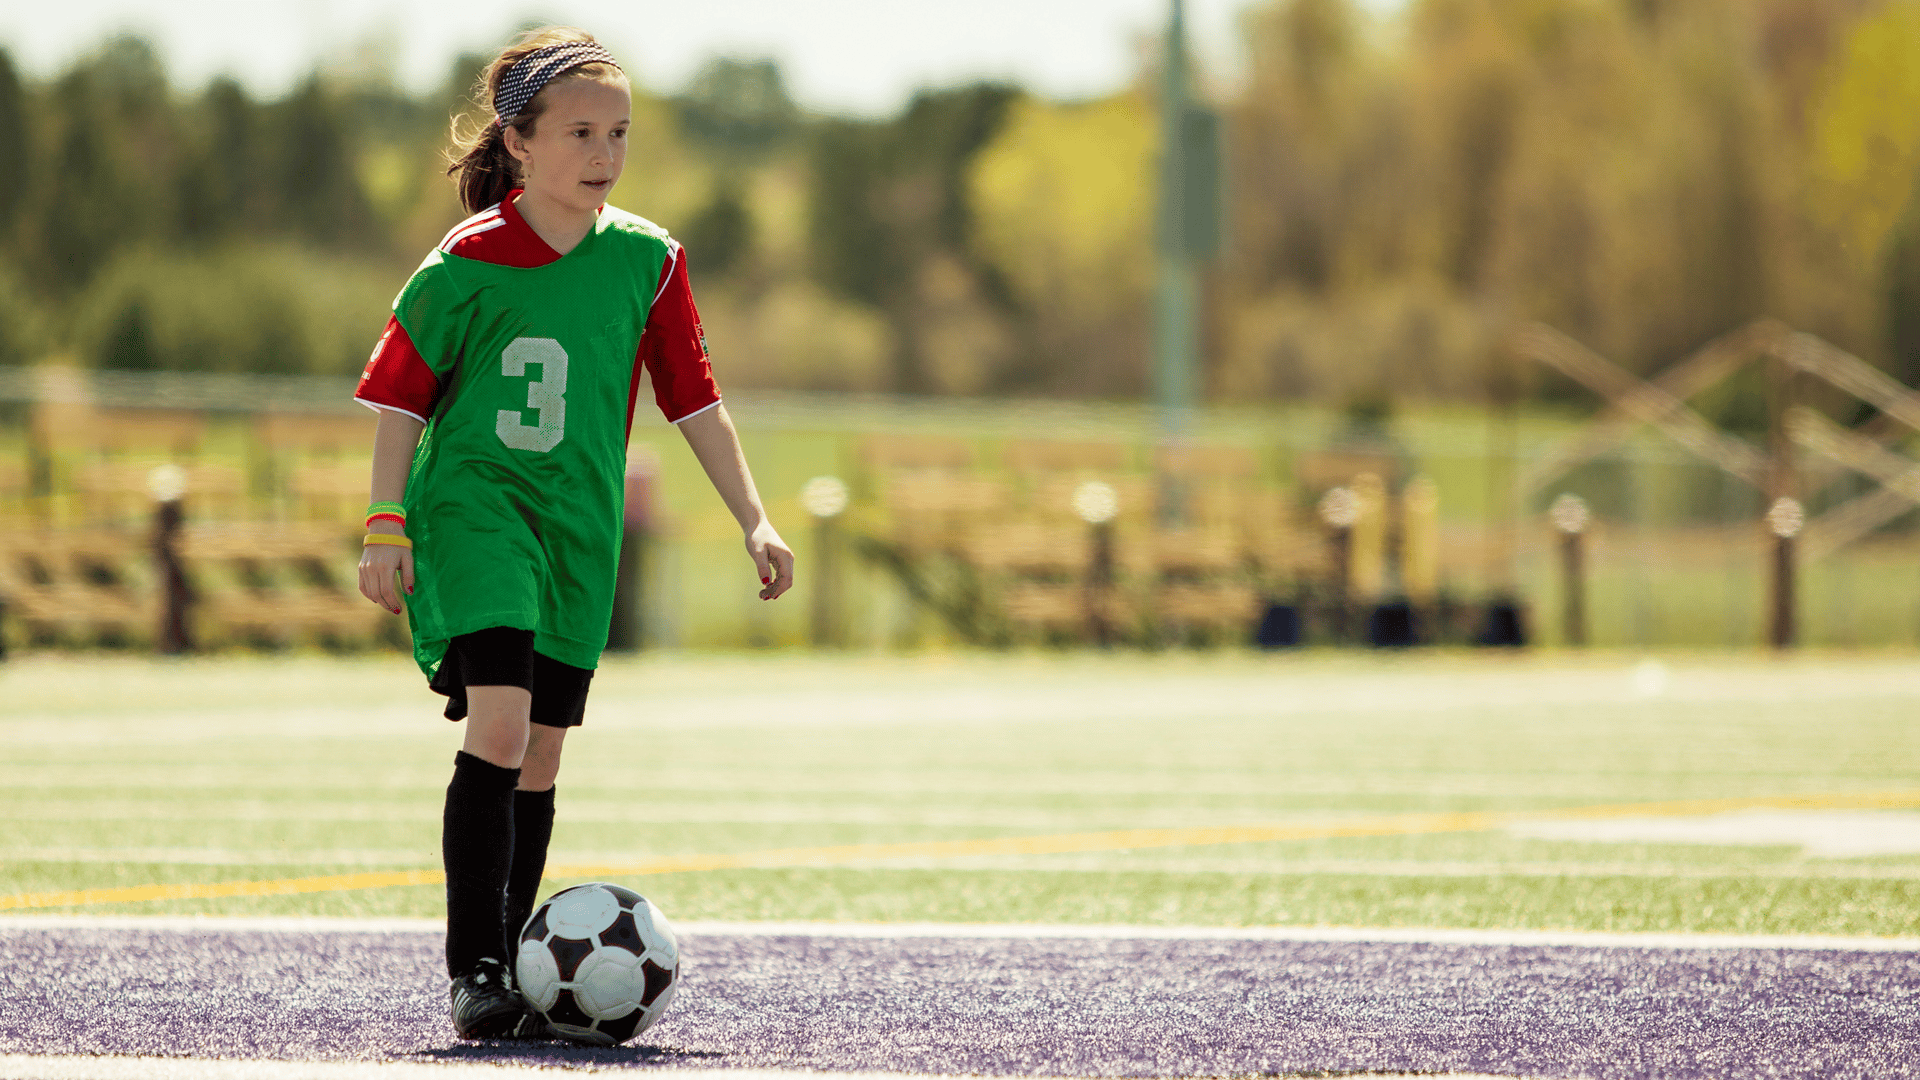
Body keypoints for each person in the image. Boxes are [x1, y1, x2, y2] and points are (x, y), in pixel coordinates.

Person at [352, 26, 794, 1039]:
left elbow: (697, 406)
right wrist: (386, 524)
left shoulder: (649, 260)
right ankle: (473, 973)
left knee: (542, 754)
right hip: (476, 515)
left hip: (579, 533)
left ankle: (516, 967)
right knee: (500, 724)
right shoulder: (461, 266)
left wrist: (755, 517)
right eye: (582, 131)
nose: (604, 153)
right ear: (519, 142)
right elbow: (398, 407)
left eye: (620, 134)